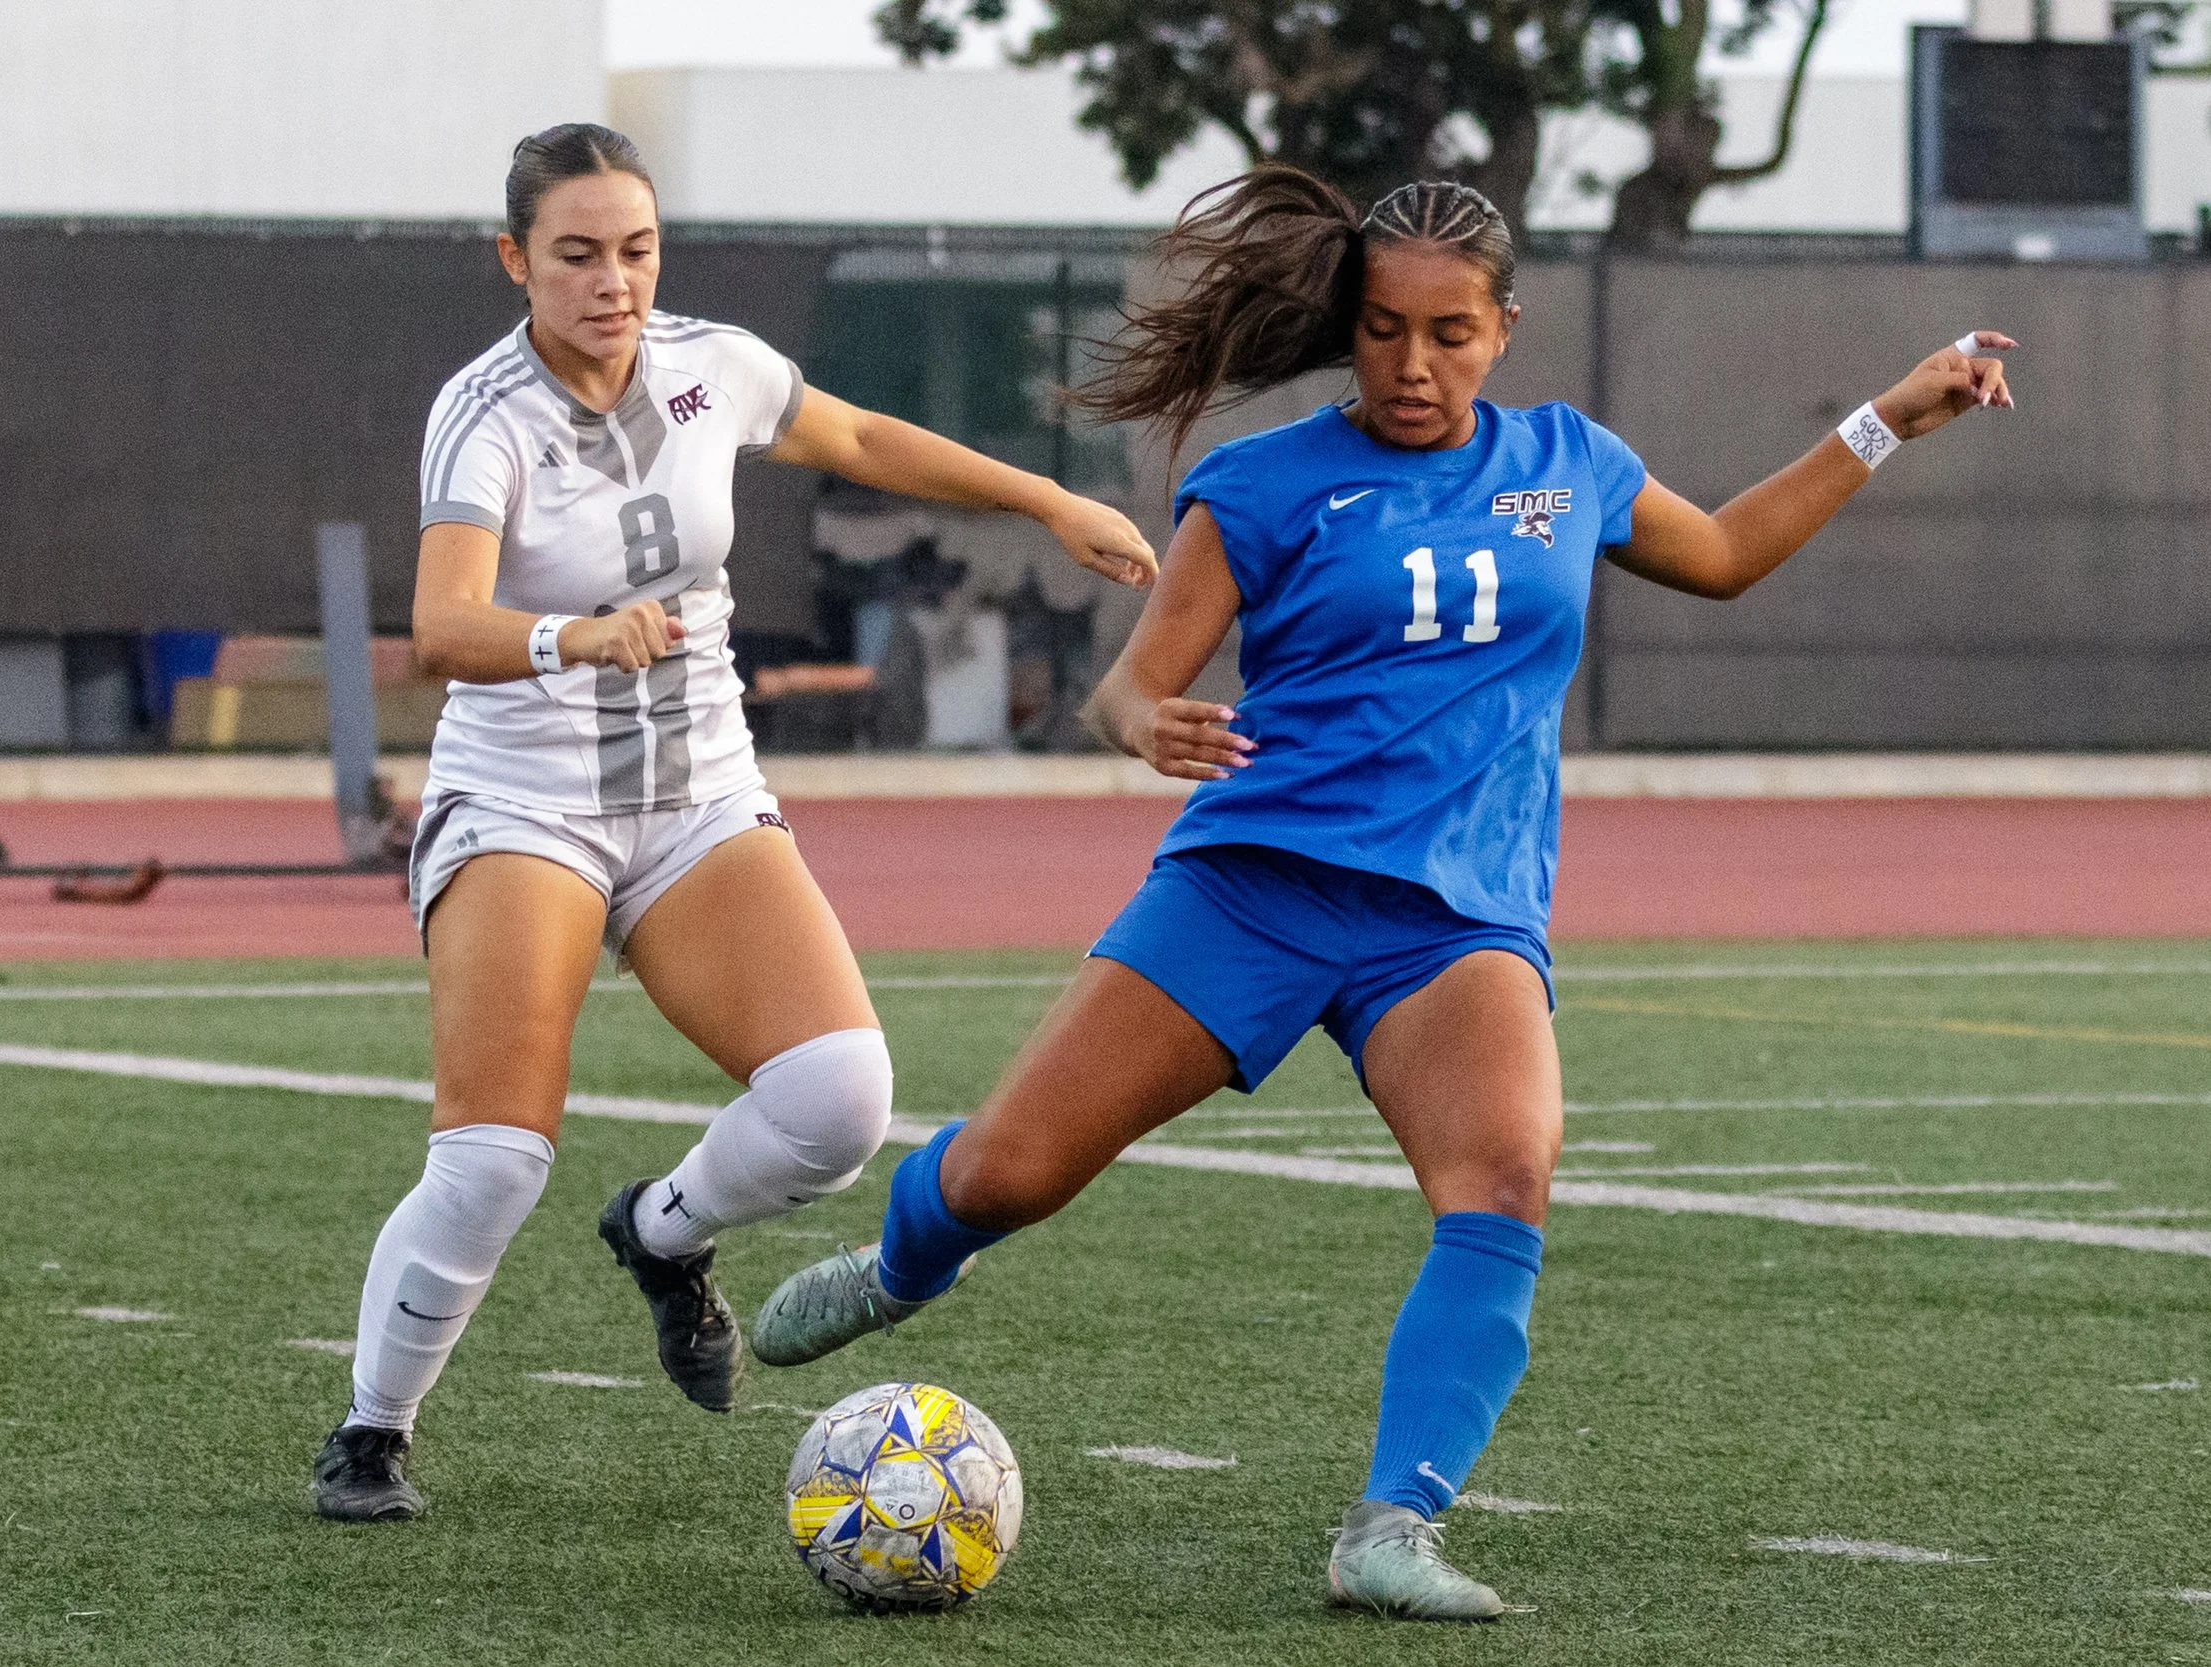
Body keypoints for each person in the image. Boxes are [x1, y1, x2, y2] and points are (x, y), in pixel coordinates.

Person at [750, 168, 2015, 1619]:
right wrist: (1142, 726)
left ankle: (1390, 1527)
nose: (1416, 365)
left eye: (1452, 333)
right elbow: (1127, 688)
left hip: (1456, 920)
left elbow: (1722, 555)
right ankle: (910, 1259)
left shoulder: (1568, 462)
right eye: (1383, 330)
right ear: (1347, 327)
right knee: (1006, 1176)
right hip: (1255, 888)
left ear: (1503, 328)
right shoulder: (1263, 481)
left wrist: (1885, 421)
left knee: (1506, 1176)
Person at [309, 123, 1156, 1522]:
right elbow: (439, 630)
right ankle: (371, 1425)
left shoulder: (716, 363)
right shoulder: (486, 412)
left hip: (697, 794)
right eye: (575, 254)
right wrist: (573, 636)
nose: (611, 281)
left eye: (634, 250)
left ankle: (661, 1231)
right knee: (493, 1157)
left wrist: (1048, 496)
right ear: (514, 259)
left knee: (838, 1102)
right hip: (527, 801)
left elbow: (862, 436)